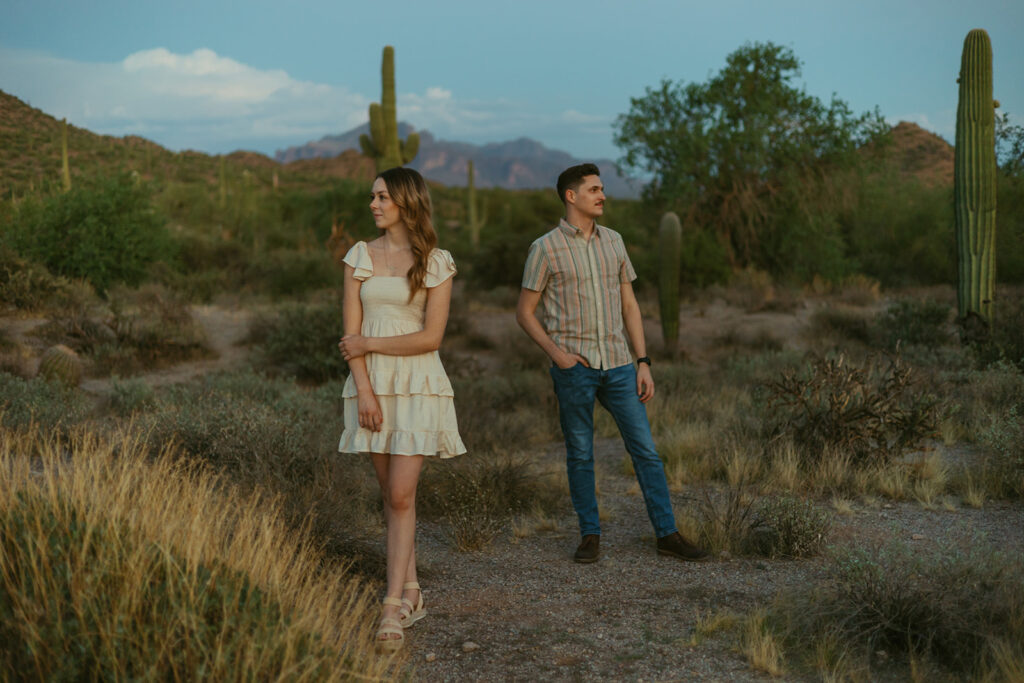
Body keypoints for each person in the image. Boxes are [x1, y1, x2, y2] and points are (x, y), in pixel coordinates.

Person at [515, 163, 709, 564]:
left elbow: (630, 304)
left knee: (646, 452)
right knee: (581, 454)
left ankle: (667, 534)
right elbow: (524, 313)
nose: (603, 195)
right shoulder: (545, 248)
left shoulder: (614, 242)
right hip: (576, 368)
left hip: (620, 365)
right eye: (594, 189)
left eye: (602, 189)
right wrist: (558, 356)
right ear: (571, 196)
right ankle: (590, 535)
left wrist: (643, 361)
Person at [337, 166, 466, 652]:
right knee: (391, 497)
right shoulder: (359, 257)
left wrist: (369, 341)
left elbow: (432, 337)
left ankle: (391, 605)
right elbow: (349, 339)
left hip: (417, 385)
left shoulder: (435, 261)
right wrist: (364, 391)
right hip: (370, 386)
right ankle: (412, 588)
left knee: (402, 495)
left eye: (383, 197)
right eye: (372, 196)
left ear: (407, 202)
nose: (373, 204)